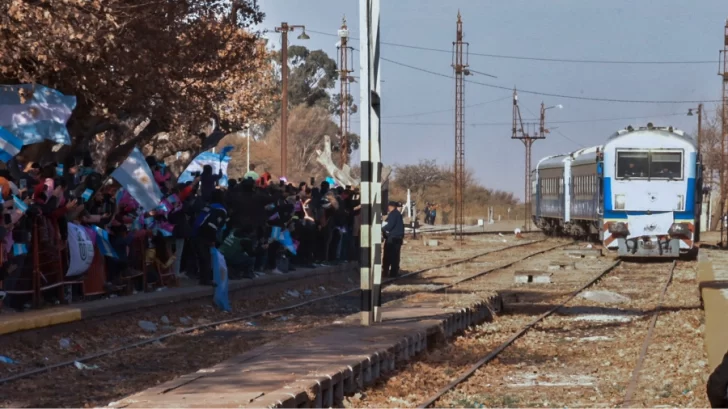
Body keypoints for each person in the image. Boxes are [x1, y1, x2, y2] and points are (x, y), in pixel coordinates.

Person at [382, 200, 404, 277]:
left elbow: (390, 226)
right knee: (395, 256)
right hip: (398, 237)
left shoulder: (393, 214)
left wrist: (382, 228)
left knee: (388, 255)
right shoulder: (398, 214)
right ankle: (393, 272)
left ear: (391, 207)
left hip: (393, 238)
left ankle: (387, 271)